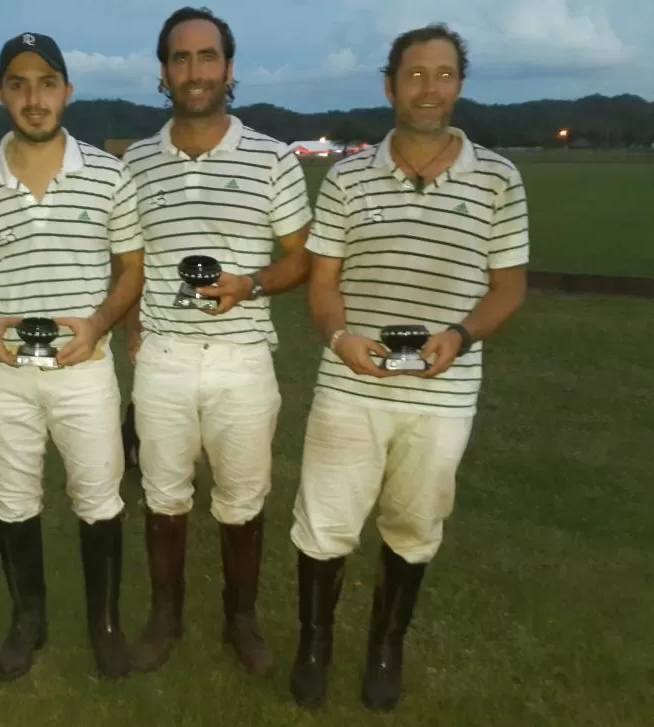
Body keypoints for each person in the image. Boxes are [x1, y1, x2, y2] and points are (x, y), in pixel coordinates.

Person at [288, 23, 529, 712]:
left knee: (415, 523)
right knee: (326, 521)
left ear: (459, 83)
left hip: (443, 389)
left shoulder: (498, 177)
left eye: (444, 73)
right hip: (350, 380)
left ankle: (387, 646)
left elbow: (508, 286)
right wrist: (339, 338)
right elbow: (324, 281)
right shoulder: (348, 175)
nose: (429, 87)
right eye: (415, 74)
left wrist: (460, 333)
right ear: (390, 84)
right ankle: (314, 643)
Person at [0, 32, 145, 681]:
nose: (35, 97)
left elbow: (132, 269)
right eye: (20, 83)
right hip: (5, 375)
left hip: (85, 370)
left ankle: (105, 625)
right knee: (12, 499)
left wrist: (99, 324)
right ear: (1, 93)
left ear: (68, 91)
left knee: (99, 498)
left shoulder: (109, 174)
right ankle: (28, 620)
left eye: (47, 82)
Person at [121, 7, 313, 676]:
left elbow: (301, 257)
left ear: (229, 70)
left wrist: (250, 283)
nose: (194, 71)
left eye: (207, 58)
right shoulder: (137, 160)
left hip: (242, 358)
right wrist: (132, 325)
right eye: (181, 58)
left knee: (242, 500)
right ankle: (165, 615)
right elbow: (128, 260)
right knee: (163, 497)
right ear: (164, 73)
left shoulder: (272, 157)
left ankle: (241, 619)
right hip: (165, 357)